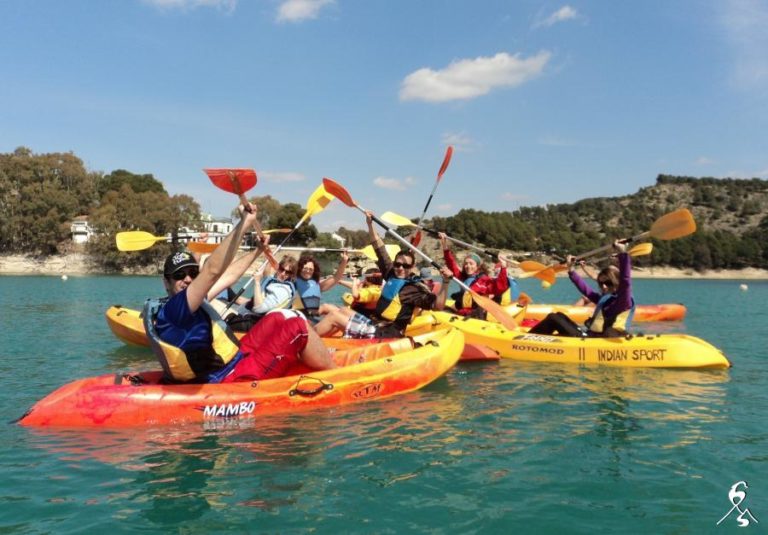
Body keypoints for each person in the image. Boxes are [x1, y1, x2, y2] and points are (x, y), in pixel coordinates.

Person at [147, 201, 335, 384]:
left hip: (234, 359)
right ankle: (336, 376)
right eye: (179, 275)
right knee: (298, 327)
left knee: (278, 316)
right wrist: (243, 224)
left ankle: (310, 354)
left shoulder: (190, 302)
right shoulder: (176, 308)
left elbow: (230, 276)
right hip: (227, 378)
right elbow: (212, 270)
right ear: (166, 282)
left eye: (192, 273)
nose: (188, 279)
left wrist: (257, 251)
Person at [314, 211, 453, 338]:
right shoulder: (391, 273)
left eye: (405, 266)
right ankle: (324, 340)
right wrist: (370, 224)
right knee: (343, 310)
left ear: (412, 268)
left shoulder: (415, 289)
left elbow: (438, 306)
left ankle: (304, 342)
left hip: (388, 333)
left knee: (333, 316)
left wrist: (446, 282)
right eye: (398, 264)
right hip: (374, 323)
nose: (400, 268)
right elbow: (378, 246)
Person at [528, 240, 635, 337]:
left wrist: (623, 254)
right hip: (589, 337)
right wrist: (571, 269)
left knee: (553, 318)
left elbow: (626, 282)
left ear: (617, 282)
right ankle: (534, 339)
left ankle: (527, 341)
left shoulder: (624, 301)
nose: (604, 286)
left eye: (608, 283)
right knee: (558, 315)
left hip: (600, 342)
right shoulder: (605, 299)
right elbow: (586, 290)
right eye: (601, 283)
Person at [438, 232, 510, 319]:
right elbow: (451, 264)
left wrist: (503, 267)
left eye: (471, 264)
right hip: (463, 312)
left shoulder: (484, 280)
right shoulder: (462, 277)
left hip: (476, 315)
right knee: (442, 311)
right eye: (466, 264)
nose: (468, 266)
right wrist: (444, 245)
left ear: (478, 266)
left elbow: (500, 287)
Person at [293, 252, 348, 320]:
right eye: (305, 268)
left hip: (315, 315)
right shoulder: (294, 280)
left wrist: (344, 261)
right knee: (325, 307)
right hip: (302, 316)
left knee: (341, 310)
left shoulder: (317, 284)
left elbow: (336, 277)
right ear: (300, 268)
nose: (307, 271)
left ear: (314, 271)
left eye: (311, 269)